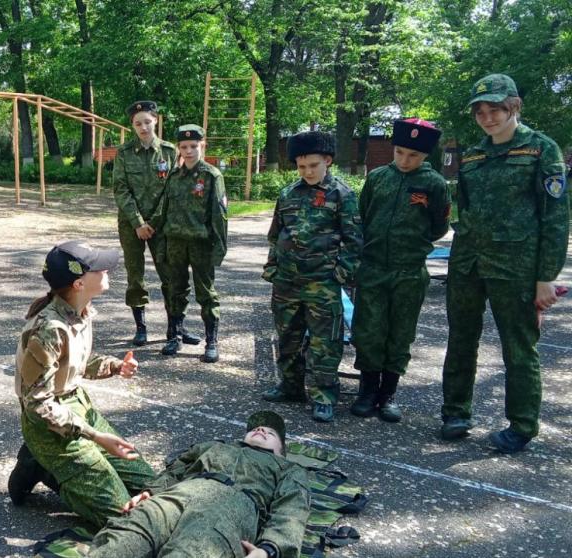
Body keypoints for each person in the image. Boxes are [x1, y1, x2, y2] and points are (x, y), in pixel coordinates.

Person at [440, 74, 569, 453]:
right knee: (461, 338)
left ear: (513, 105)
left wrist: (546, 277)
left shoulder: (541, 150)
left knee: (518, 346)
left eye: (494, 109)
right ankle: (455, 412)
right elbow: (466, 207)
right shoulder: (475, 155)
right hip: (468, 263)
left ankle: (523, 424)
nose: (487, 117)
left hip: (516, 266)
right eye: (480, 111)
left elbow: (556, 218)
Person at [8, 240, 155, 527]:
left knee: (153, 484)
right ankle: (44, 466)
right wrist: (95, 436)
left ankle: (41, 461)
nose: (106, 270)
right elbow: (37, 402)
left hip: (77, 407)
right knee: (125, 517)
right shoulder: (49, 329)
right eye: (98, 268)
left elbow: (75, 363)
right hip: (49, 425)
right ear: (78, 284)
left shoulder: (80, 310)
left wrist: (114, 366)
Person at [86, 410, 310, 558]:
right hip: (179, 494)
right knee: (126, 536)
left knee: (193, 550)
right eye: (255, 429)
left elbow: (292, 511)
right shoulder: (214, 446)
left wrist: (270, 549)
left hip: (229, 509)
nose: (260, 430)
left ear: (281, 452)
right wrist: (151, 491)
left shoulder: (288, 469)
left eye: (269, 433)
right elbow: (178, 467)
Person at [349, 118, 449, 422]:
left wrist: (409, 245)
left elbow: (438, 227)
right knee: (368, 330)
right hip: (374, 268)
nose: (405, 160)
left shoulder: (434, 184)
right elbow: (363, 216)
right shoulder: (378, 178)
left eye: (414, 156)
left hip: (408, 271)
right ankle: (367, 391)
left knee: (400, 332)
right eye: (401, 152)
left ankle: (388, 393)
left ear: (426, 156)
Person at [262, 131, 362, 423]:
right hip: (287, 283)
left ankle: (324, 396)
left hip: (323, 283)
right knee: (288, 337)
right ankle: (290, 386)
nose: (307, 171)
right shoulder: (288, 194)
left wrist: (340, 275)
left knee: (325, 343)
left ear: (327, 161)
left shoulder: (342, 195)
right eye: (302, 166)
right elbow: (276, 235)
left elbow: (354, 241)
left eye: (313, 165)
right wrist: (273, 269)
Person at [112, 101, 199, 347]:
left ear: (156, 121)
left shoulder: (171, 152)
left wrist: (154, 221)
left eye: (147, 122)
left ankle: (176, 327)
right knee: (135, 276)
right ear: (132, 125)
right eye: (137, 123)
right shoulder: (124, 153)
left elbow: (172, 191)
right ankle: (140, 328)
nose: (142, 127)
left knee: (171, 276)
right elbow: (120, 190)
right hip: (131, 225)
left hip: (162, 225)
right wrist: (139, 222)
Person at [150, 125, 228, 363]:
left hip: (200, 244)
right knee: (175, 290)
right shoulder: (173, 177)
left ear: (202, 146)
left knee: (206, 294)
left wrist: (219, 248)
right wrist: (161, 243)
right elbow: (164, 212)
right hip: (175, 243)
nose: (189, 151)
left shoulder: (212, 176)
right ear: (178, 149)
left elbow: (219, 215)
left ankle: (211, 342)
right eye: (184, 147)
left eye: (194, 146)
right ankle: (174, 336)